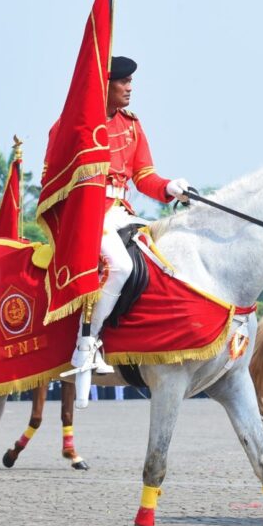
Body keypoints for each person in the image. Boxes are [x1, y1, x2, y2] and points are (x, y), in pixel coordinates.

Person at [69, 56, 190, 384]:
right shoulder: (76, 123)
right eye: (123, 82)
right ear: (104, 85)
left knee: (162, 261)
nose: (129, 88)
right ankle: (87, 343)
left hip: (121, 211)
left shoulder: (131, 124)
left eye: (131, 82)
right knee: (120, 266)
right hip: (89, 214)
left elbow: (143, 175)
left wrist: (168, 187)